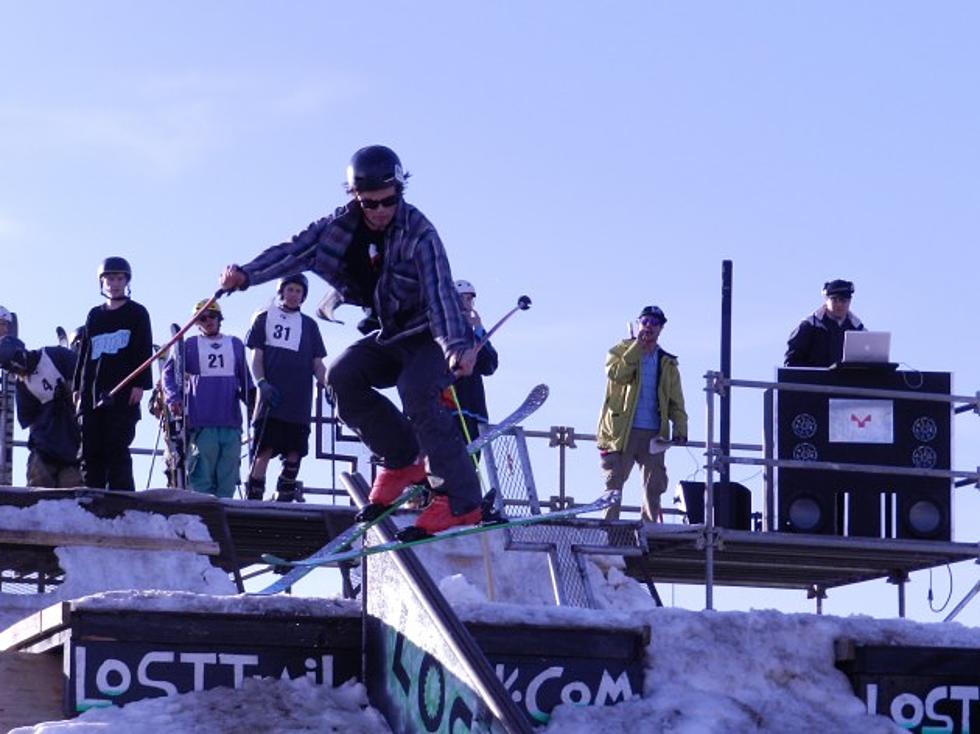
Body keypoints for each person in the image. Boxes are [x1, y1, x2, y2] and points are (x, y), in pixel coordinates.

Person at [219, 145, 482, 537]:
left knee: (417, 389)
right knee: (341, 376)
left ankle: (461, 503)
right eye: (369, 203)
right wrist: (246, 275)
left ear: (399, 193)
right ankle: (401, 459)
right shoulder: (339, 228)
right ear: (355, 197)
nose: (378, 212)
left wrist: (456, 348)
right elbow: (293, 251)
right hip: (391, 333)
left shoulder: (420, 233)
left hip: (429, 333)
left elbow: (441, 293)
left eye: (387, 202)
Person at [596, 305, 688, 522]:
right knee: (614, 481)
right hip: (621, 431)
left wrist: (680, 427)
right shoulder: (619, 352)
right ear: (638, 323)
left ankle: (648, 529)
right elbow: (617, 375)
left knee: (654, 484)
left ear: (661, 329)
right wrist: (637, 346)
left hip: (654, 433)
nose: (649, 327)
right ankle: (609, 528)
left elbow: (676, 400)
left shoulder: (668, 362)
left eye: (655, 323)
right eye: (645, 321)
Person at [244, 274, 327, 502]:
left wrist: (330, 384)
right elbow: (256, 357)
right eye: (290, 289)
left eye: (298, 291)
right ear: (282, 291)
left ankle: (285, 497)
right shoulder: (264, 318)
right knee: (264, 451)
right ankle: (254, 499)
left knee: (295, 451)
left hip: (298, 400)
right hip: (271, 397)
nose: (294, 295)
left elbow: (317, 364)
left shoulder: (310, 326)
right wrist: (261, 382)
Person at [72, 257, 153, 491]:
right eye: (109, 278)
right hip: (93, 391)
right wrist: (77, 388)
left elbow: (143, 349)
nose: (114, 283)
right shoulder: (94, 315)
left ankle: (122, 500)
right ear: (101, 282)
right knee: (90, 448)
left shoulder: (137, 313)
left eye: (119, 278)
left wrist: (140, 384)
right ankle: (91, 496)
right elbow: (84, 355)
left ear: (127, 281)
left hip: (123, 390)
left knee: (116, 447)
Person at [162, 300, 253, 498]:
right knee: (202, 477)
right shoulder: (189, 345)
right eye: (201, 318)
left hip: (231, 422)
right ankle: (203, 519)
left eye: (211, 315)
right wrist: (173, 398)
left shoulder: (235, 344)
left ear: (219, 318)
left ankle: (224, 519)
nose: (208, 321)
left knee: (228, 478)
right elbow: (168, 373)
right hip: (202, 422)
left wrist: (255, 402)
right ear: (196, 323)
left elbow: (246, 379)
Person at [0, 336, 82, 487]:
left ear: (22, 351)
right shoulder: (23, 385)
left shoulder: (55, 356)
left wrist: (70, 392)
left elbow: (85, 380)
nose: (16, 368)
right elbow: (29, 419)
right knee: (38, 492)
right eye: (10, 368)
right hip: (45, 448)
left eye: (15, 361)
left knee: (74, 493)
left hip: (75, 444)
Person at [443, 279, 498, 448]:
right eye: (463, 299)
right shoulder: (443, 330)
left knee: (471, 458)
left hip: (474, 409)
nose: (467, 304)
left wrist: (479, 329)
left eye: (470, 299)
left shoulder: (474, 337)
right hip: (450, 408)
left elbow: (489, 365)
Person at [784, 279, 865, 368]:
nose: (839, 304)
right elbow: (792, 363)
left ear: (849, 301)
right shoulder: (809, 326)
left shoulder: (858, 331)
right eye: (834, 299)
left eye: (843, 300)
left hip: (846, 381)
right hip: (814, 381)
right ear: (826, 300)